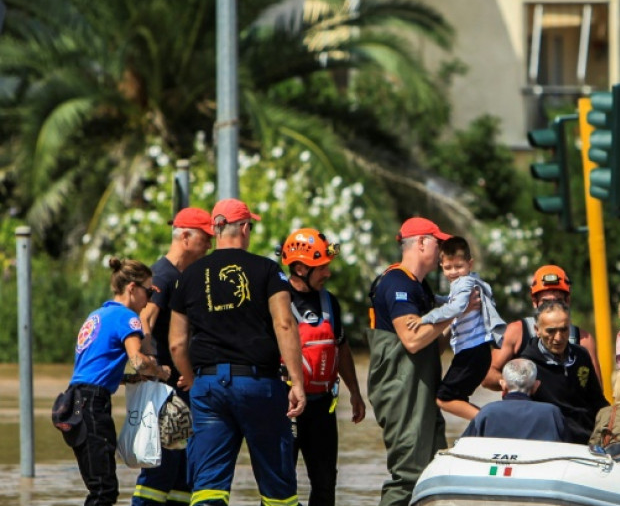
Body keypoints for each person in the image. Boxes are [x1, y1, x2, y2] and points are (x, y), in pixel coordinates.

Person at [168, 198, 306, 506]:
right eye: (251, 227)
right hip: (259, 386)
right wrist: (297, 383)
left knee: (208, 486)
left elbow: (177, 342)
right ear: (243, 228)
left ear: (216, 231)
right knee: (277, 487)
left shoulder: (189, 276)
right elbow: (285, 325)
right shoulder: (268, 271)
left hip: (209, 387)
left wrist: (191, 378)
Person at [56, 258, 169, 506]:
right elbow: (138, 360)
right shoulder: (127, 318)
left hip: (74, 402)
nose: (149, 300)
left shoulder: (96, 316)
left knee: (98, 485)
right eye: (148, 292)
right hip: (92, 407)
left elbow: (93, 370)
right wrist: (159, 371)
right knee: (104, 491)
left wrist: (129, 378)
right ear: (132, 288)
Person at [367, 217, 455, 506]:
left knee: (434, 472)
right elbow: (413, 339)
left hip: (421, 390)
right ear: (420, 243)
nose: (443, 249)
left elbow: (432, 346)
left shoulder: (421, 287)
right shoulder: (396, 282)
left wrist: (458, 322)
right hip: (401, 391)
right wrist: (453, 312)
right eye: (437, 242)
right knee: (407, 475)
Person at [279, 227, 366, 506]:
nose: (327, 273)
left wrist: (355, 392)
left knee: (326, 484)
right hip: (286, 407)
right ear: (301, 267)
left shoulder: (331, 302)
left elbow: (340, 347)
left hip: (322, 407)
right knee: (281, 485)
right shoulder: (277, 302)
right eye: (322, 268)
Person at [132, 207, 213, 506]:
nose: (209, 245)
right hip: (167, 391)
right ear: (185, 236)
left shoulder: (184, 276)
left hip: (182, 388)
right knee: (160, 468)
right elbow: (144, 321)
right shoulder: (163, 276)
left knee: (183, 473)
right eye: (206, 238)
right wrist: (153, 367)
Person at [407, 236, 505, 420]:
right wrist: (436, 299)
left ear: (470, 264)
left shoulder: (464, 282)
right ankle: (488, 424)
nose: (453, 272)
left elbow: (457, 308)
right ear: (441, 265)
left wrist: (425, 319)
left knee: (445, 397)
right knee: (455, 397)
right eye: (448, 267)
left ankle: (492, 424)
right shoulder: (465, 282)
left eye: (459, 267)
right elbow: (454, 301)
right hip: (475, 352)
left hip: (472, 352)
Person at [484, 264, 600, 390]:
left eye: (558, 301)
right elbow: (487, 375)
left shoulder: (583, 340)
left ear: (568, 300)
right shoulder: (516, 332)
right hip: (527, 408)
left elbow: (597, 390)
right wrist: (518, 385)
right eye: (546, 302)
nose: (552, 307)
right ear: (534, 301)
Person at [518, 299, 608, 444]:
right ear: (537, 330)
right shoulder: (527, 365)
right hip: (550, 441)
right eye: (551, 331)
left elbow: (597, 401)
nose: (558, 338)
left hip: (588, 439)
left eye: (564, 329)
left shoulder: (581, 355)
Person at [461, 358, 566, 441]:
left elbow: (464, 446)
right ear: (536, 385)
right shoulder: (551, 413)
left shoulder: (487, 412)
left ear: (503, 385)